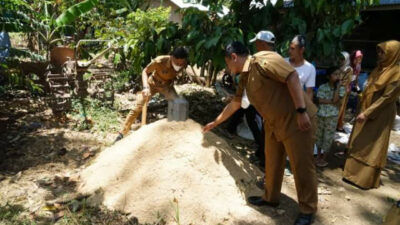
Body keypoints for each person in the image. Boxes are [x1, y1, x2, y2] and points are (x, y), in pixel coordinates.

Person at [203, 42, 318, 225]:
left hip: (296, 120)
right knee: (271, 161)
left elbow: (292, 77)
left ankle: (308, 209)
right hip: (273, 123)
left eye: (227, 63)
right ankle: (270, 198)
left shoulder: (264, 59)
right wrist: (215, 122)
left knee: (301, 166)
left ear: (234, 57)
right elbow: (235, 104)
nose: (228, 68)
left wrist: (301, 111)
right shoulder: (245, 77)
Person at [343, 40, 400, 189]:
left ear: (392, 54)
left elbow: (387, 98)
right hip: (366, 108)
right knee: (359, 139)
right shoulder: (378, 69)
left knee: (372, 145)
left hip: (380, 113)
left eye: (383, 52)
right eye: (379, 52)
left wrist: (368, 113)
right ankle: (351, 174)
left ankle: (364, 179)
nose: (380, 55)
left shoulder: (396, 74)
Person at [114, 47, 188, 142]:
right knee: (138, 106)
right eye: (177, 63)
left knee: (179, 104)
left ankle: (176, 134)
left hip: (166, 86)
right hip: (152, 84)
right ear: (172, 57)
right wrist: (145, 87)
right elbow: (145, 71)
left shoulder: (184, 63)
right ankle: (121, 133)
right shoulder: (159, 61)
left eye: (181, 64)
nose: (179, 65)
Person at [315, 67, 345, 167]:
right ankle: (318, 156)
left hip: (332, 116)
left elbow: (336, 100)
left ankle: (324, 158)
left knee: (328, 137)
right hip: (321, 115)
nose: (337, 76)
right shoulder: (323, 87)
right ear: (328, 76)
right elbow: (319, 100)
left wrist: (337, 88)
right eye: (335, 74)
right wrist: (331, 101)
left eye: (338, 74)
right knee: (319, 136)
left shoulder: (340, 89)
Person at [286, 35, 316, 101]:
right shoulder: (282, 62)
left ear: (301, 50)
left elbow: (309, 92)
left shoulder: (310, 68)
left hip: (296, 104)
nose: (289, 51)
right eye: (289, 48)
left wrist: (306, 110)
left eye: (293, 49)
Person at [336, 51, 353, 133]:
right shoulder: (338, 67)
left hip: (342, 91)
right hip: (335, 89)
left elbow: (345, 82)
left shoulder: (348, 69)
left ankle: (337, 125)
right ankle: (336, 125)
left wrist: (338, 87)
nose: (341, 60)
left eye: (343, 59)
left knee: (340, 108)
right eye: (340, 58)